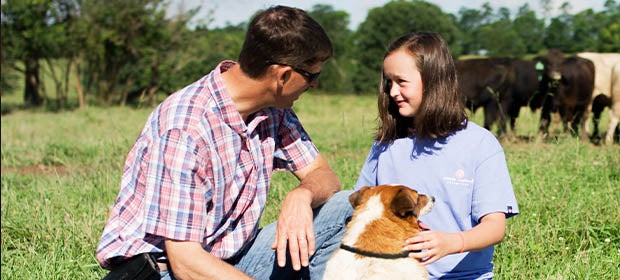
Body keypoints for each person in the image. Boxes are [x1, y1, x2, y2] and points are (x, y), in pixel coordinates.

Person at [96, 6, 352, 279]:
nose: (314, 85)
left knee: (350, 208)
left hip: (235, 257)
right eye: (312, 76)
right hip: (167, 271)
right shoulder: (185, 128)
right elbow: (185, 263)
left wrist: (301, 196)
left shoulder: (274, 110)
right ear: (283, 76)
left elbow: (322, 175)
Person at [353, 31, 520, 279]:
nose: (392, 92)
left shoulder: (480, 144)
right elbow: (359, 209)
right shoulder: (386, 145)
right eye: (389, 82)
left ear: (433, 80)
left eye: (401, 81)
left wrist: (454, 242)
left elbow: (495, 228)